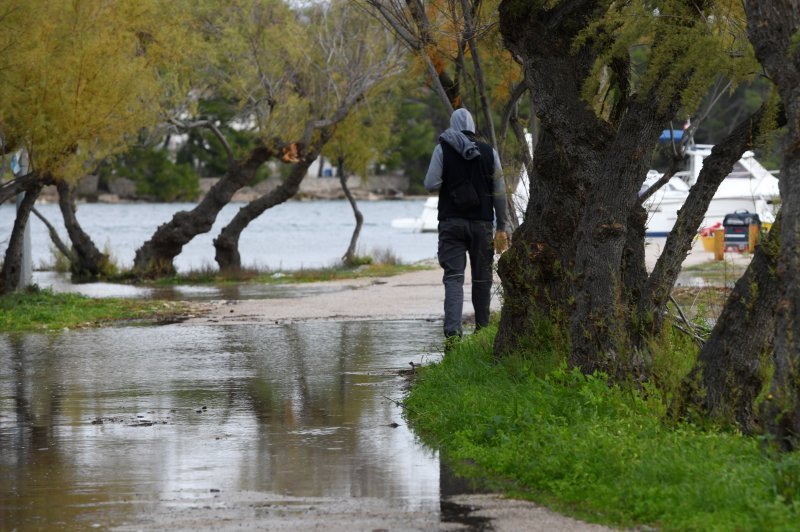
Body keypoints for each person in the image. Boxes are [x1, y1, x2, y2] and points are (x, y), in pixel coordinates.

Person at [424, 108, 509, 341]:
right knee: (482, 279)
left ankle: (452, 335)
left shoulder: (442, 149)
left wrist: (449, 181)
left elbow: (430, 183)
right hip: (482, 225)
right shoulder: (489, 152)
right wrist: (502, 226)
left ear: (452, 125)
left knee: (453, 279)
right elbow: (499, 193)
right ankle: (482, 332)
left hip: (451, 224)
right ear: (473, 126)